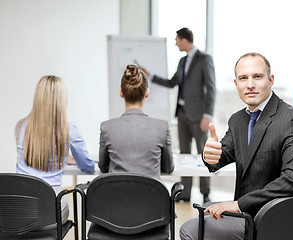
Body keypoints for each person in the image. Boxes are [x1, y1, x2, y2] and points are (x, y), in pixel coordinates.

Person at [180, 52, 293, 240]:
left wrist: (239, 204)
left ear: (270, 80)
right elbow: (221, 155)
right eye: (243, 78)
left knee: (189, 229)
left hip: (274, 217)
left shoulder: (292, 118)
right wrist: (209, 155)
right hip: (245, 214)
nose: (250, 84)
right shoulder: (237, 120)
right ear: (236, 84)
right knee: (204, 212)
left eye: (257, 77)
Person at [140, 27, 216, 203]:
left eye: (176, 40)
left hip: (198, 115)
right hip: (181, 114)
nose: (175, 43)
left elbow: (211, 88)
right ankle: (186, 192)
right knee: (184, 154)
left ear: (184, 39)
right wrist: (150, 77)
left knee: (203, 154)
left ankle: (205, 192)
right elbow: (173, 83)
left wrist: (208, 114)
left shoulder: (205, 59)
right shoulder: (182, 61)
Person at [15, 75, 95, 225]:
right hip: (50, 208)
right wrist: (66, 160)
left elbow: (34, 160)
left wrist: (62, 159)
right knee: (65, 205)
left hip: (19, 208)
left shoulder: (21, 126)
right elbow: (88, 166)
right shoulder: (68, 128)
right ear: (61, 99)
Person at [98, 65, 175, 180]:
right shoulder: (162, 127)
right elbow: (168, 168)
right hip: (151, 197)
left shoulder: (106, 128)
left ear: (121, 93)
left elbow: (103, 167)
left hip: (116, 196)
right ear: (147, 93)